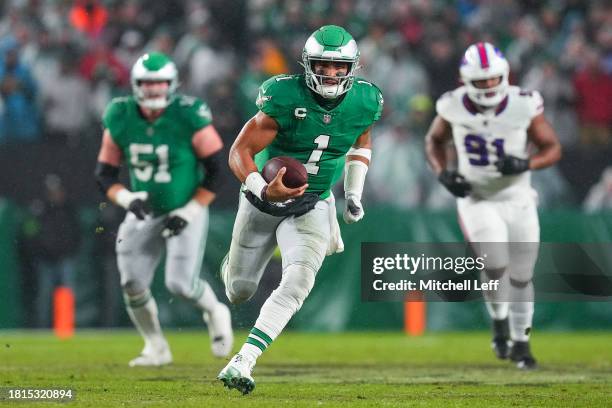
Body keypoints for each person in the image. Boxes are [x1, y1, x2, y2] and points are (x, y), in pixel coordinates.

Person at [217, 25, 383, 394]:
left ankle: (243, 359)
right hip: (263, 200)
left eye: (339, 67)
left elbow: (361, 141)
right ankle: (232, 267)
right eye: (323, 65)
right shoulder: (283, 94)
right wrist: (263, 187)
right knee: (239, 290)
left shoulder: (365, 101)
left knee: (297, 282)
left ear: (352, 69)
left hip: (314, 200)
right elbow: (239, 152)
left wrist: (353, 192)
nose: (330, 73)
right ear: (308, 64)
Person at [425, 42, 561, 369]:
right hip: (477, 198)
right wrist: (443, 173)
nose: (487, 86)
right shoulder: (452, 105)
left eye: (492, 79)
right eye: (480, 80)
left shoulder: (524, 103)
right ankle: (499, 321)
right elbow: (434, 141)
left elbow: (552, 147)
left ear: (503, 76)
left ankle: (522, 343)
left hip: (518, 198)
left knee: (523, 275)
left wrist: (527, 163)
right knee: (497, 264)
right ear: (465, 80)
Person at [94, 52, 233, 367]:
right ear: (135, 85)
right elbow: (104, 174)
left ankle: (215, 311)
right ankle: (155, 346)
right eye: (147, 83)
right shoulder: (120, 113)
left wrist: (190, 212)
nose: (154, 90)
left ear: (171, 85)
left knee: (180, 284)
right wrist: (127, 199)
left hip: (186, 207)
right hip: (143, 210)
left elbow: (216, 171)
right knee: (131, 284)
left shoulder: (188, 114)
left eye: (159, 83)